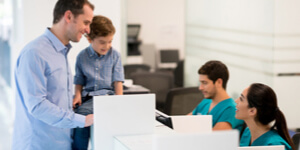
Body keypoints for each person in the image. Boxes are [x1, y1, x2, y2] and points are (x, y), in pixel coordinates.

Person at [12, 0, 94, 150]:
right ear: (68, 16)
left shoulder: (61, 52)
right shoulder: (35, 53)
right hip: (38, 145)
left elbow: (56, 97)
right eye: (86, 22)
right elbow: (37, 106)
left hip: (61, 143)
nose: (88, 30)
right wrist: (83, 120)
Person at [72, 15, 124, 150]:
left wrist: (120, 102)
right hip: (89, 99)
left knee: (87, 119)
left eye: (110, 41)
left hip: (108, 98)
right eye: (102, 42)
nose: (107, 46)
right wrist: (77, 95)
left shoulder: (115, 55)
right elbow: (79, 80)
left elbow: (118, 81)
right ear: (89, 39)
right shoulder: (82, 57)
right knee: (79, 121)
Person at [236, 83, 295, 150]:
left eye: (241, 99)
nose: (236, 101)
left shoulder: (274, 145)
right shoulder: (247, 133)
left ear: (252, 111)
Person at [188, 60, 244, 131]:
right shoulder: (205, 102)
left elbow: (212, 140)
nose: (200, 87)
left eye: (204, 83)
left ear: (218, 82)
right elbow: (182, 123)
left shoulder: (231, 109)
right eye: (200, 83)